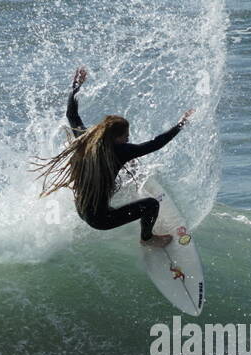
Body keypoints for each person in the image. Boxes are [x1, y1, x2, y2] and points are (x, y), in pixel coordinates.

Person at [33, 67, 193, 247]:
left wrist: (76, 87)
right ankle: (147, 239)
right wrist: (180, 124)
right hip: (102, 220)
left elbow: (71, 115)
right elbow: (156, 143)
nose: (128, 139)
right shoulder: (121, 151)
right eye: (126, 136)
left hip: (83, 210)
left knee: (126, 168)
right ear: (116, 138)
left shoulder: (86, 139)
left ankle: (127, 184)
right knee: (151, 205)